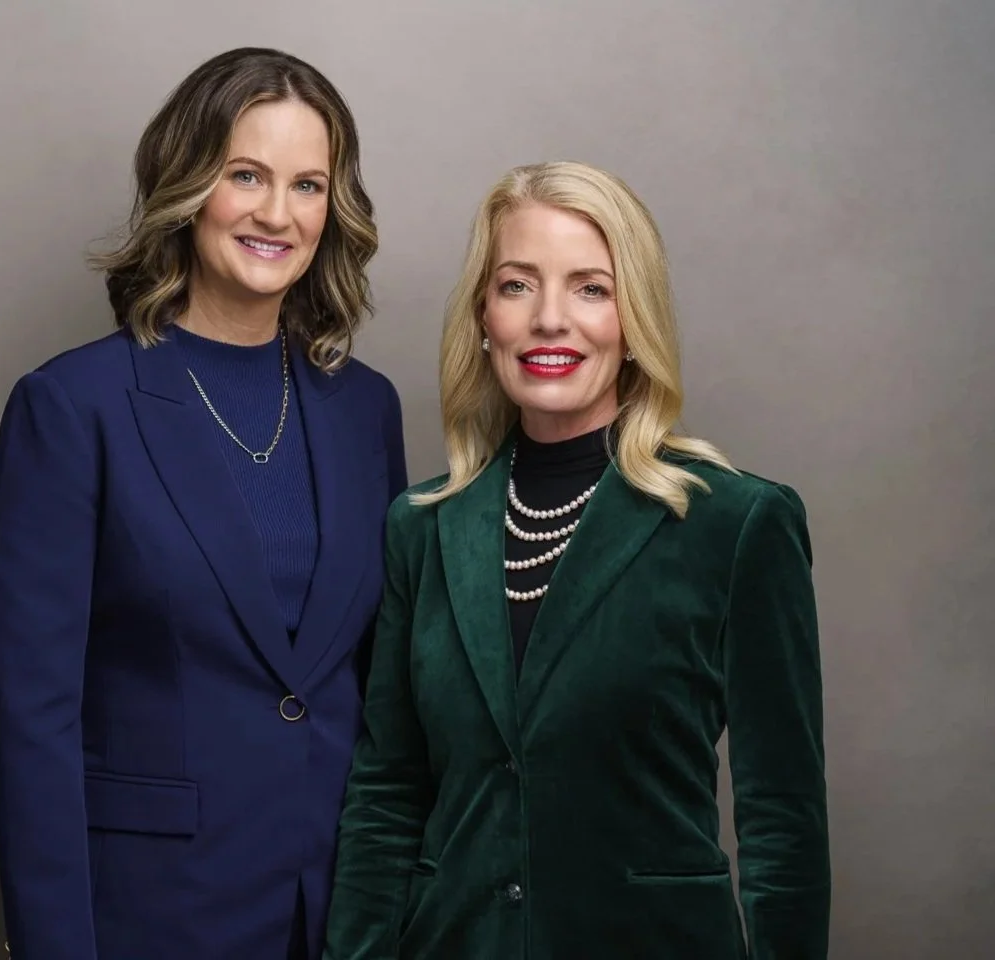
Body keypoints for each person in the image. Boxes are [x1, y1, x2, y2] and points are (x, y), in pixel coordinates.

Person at [323, 161, 830, 958]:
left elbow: (782, 820)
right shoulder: (422, 529)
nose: (549, 319)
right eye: (518, 285)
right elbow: (388, 794)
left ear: (634, 319)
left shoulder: (735, 524)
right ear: (484, 316)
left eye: (590, 288)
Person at [0, 47, 407, 960]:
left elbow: (381, 691)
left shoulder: (365, 408)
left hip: (341, 911)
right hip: (153, 913)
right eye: (244, 175)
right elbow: (32, 722)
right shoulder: (72, 409)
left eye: (307, 185)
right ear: (186, 184)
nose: (275, 214)